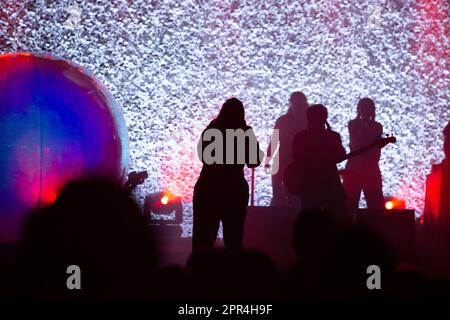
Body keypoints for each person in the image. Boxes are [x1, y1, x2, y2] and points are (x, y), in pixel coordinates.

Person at [193, 98, 263, 254]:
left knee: (203, 240)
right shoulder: (244, 132)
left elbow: (203, 156)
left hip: (208, 188)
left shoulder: (211, 129)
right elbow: (254, 162)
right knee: (234, 240)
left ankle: (197, 274)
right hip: (234, 189)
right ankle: (234, 276)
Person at [289, 104, 349, 225]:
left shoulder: (300, 137)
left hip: (312, 184)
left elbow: (297, 158)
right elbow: (341, 156)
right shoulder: (332, 136)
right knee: (336, 219)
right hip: (327, 184)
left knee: (311, 220)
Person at [265, 92, 308, 206]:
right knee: (279, 192)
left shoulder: (284, 120)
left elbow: (273, 142)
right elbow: (273, 142)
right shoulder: (284, 121)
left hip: (299, 160)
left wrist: (268, 160)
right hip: (287, 159)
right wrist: (268, 160)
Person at [342, 98, 385, 214]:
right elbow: (354, 145)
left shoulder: (377, 126)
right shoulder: (353, 124)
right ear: (359, 110)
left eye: (368, 109)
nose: (366, 111)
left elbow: (377, 148)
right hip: (355, 169)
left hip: (370, 168)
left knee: (375, 204)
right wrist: (363, 127)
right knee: (349, 204)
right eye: (363, 108)